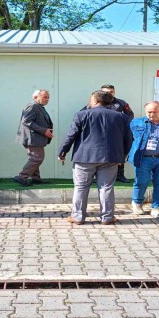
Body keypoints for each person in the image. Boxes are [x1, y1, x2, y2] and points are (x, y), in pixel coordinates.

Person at [58, 90, 132, 225]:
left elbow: (71, 135)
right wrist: (122, 156)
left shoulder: (82, 115)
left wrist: (62, 152)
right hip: (111, 157)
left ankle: (78, 217)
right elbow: (128, 139)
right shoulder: (122, 117)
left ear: (95, 101)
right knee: (106, 187)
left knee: (81, 187)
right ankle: (107, 217)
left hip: (84, 157)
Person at [14, 89, 53, 186]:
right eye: (45, 97)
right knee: (37, 158)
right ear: (35, 97)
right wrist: (44, 131)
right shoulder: (33, 106)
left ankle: (35, 178)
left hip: (34, 138)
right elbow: (26, 121)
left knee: (35, 157)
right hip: (32, 138)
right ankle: (22, 176)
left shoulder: (38, 107)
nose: (47, 99)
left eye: (48, 97)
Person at [100, 84, 135, 183]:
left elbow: (130, 115)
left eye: (111, 92)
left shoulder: (121, 103)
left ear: (114, 92)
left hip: (118, 133)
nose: (108, 94)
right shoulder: (97, 102)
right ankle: (97, 176)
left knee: (120, 153)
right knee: (100, 153)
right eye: (106, 92)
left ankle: (120, 176)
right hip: (101, 133)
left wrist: (121, 123)